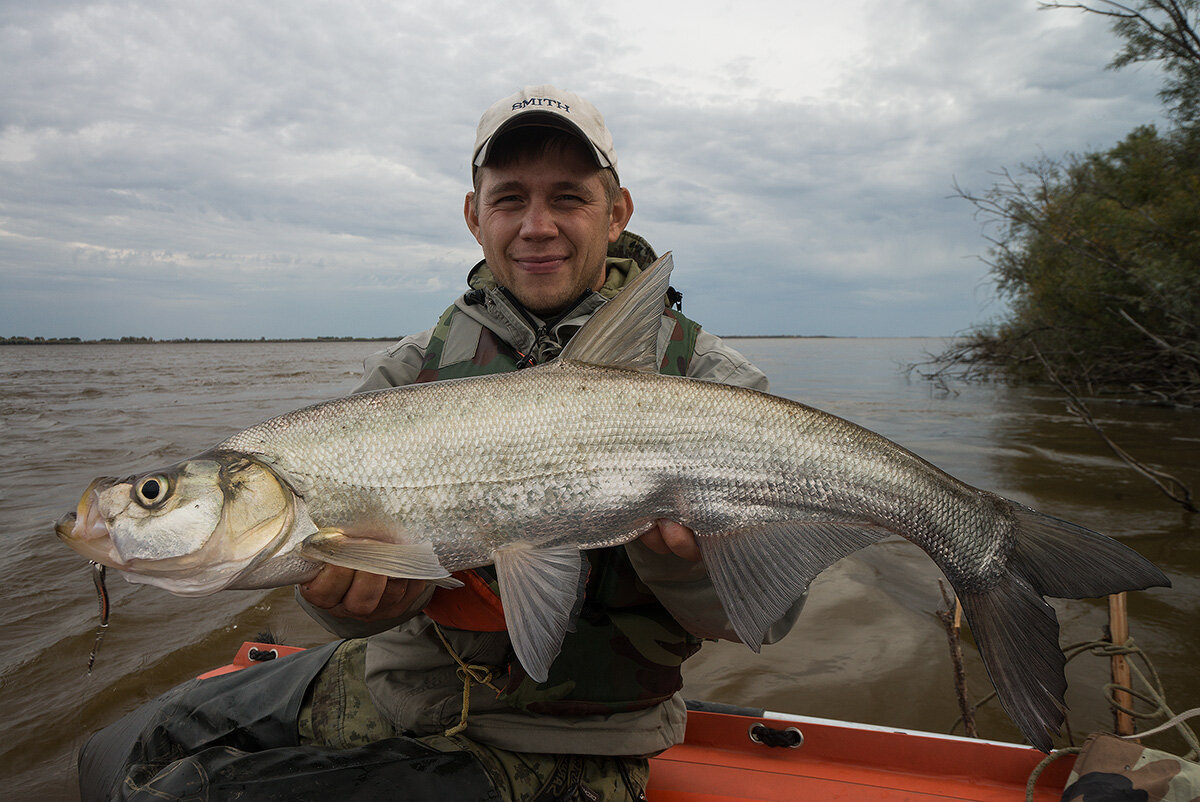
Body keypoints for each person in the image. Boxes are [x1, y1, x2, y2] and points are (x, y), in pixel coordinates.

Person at [78, 85, 802, 802]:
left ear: (617, 214)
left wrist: (684, 565)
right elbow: (348, 595)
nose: (537, 225)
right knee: (118, 749)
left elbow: (772, 613)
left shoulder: (709, 382)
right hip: (400, 688)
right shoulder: (408, 372)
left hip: (572, 742)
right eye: (510, 198)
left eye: (569, 198)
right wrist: (352, 607)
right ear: (474, 216)